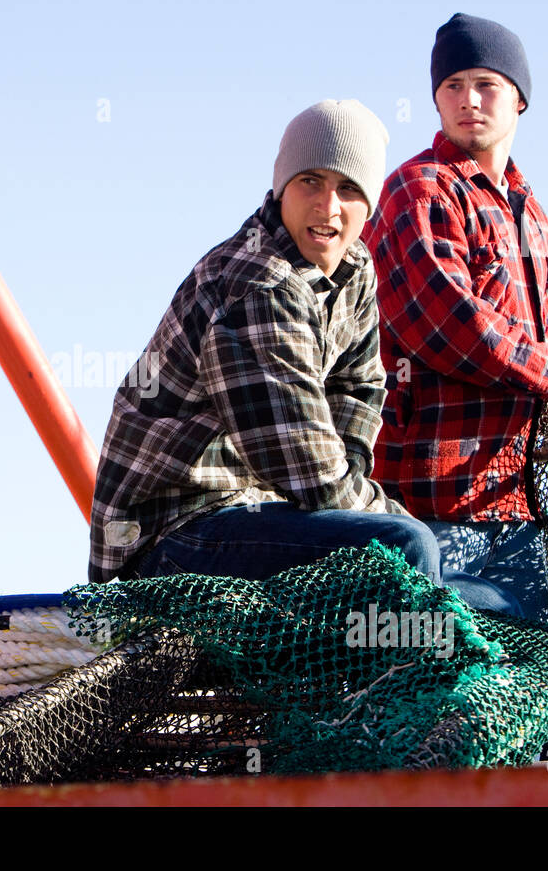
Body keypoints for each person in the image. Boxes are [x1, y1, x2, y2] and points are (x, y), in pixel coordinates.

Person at [88, 100, 442, 587]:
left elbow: (358, 387)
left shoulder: (354, 269)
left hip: (260, 513)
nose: (328, 206)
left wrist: (355, 485)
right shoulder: (258, 284)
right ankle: (390, 665)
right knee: (407, 546)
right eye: (310, 181)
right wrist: (383, 514)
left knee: (469, 588)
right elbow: (307, 471)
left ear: (370, 205)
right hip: (169, 535)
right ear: (281, 189)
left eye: (349, 189)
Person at [366, 14, 548, 622]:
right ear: (436, 99)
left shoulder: (531, 211)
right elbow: (451, 329)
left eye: (486, 84)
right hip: (430, 505)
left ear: (519, 98)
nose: (468, 100)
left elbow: (532, 347)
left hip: (514, 508)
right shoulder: (418, 190)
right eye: (452, 86)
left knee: (517, 684)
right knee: (432, 681)